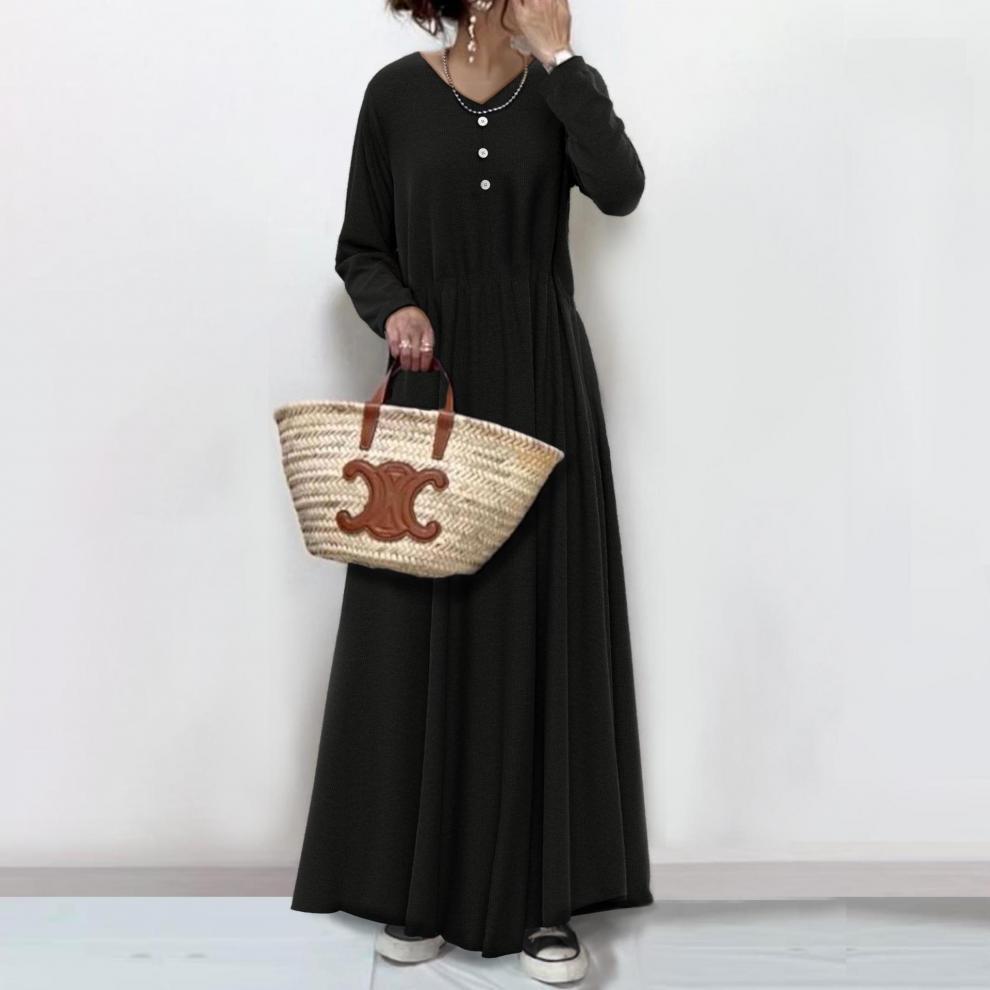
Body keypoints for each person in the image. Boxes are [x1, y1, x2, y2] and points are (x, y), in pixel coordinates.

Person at [289, 0, 652, 982]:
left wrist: (563, 60)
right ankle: (417, 894)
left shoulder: (559, 93)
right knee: (423, 627)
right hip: (434, 387)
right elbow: (362, 247)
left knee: (539, 624)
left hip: (541, 382)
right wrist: (396, 308)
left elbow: (621, 190)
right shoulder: (394, 97)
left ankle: (544, 903)